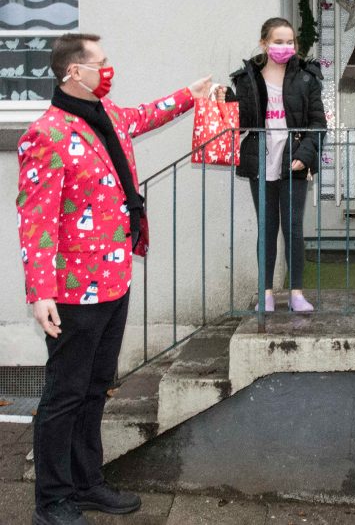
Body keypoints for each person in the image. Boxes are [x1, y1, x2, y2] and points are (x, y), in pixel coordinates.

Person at [16, 33, 211, 525]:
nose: (109, 69)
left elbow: (147, 114)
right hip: (74, 291)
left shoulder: (106, 117)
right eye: (100, 63)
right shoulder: (47, 134)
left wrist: (191, 94)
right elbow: (36, 221)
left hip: (115, 279)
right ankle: (52, 500)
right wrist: (40, 292)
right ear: (72, 73)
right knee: (64, 395)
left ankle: (86, 483)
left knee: (95, 386)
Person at [227, 17, 326, 312]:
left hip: (293, 161)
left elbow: (318, 124)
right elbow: (244, 123)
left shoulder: (307, 77)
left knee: (293, 228)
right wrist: (228, 102)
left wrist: (305, 156)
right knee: (266, 229)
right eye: (278, 41)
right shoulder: (248, 78)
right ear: (264, 43)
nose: (285, 47)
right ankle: (266, 294)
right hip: (261, 160)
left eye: (290, 42)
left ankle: (296, 293)